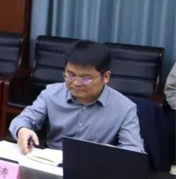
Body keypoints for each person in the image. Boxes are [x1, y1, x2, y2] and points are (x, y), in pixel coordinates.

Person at [10, 40, 144, 154]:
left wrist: (109, 154)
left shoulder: (125, 108)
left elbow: (134, 150)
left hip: (96, 167)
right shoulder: (51, 93)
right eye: (70, 75)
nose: (76, 83)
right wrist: (22, 130)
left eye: (85, 78)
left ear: (106, 77)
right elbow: (23, 120)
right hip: (51, 163)